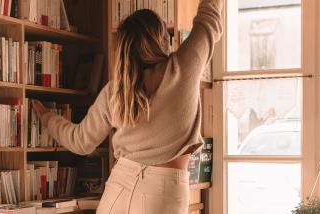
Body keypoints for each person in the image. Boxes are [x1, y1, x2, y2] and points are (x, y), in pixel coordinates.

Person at [31, 0, 222, 213]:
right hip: (163, 195)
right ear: (161, 40)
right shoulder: (183, 67)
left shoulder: (114, 92)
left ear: (123, 49)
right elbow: (209, 18)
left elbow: (80, 141)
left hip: (117, 191)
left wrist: (47, 117)